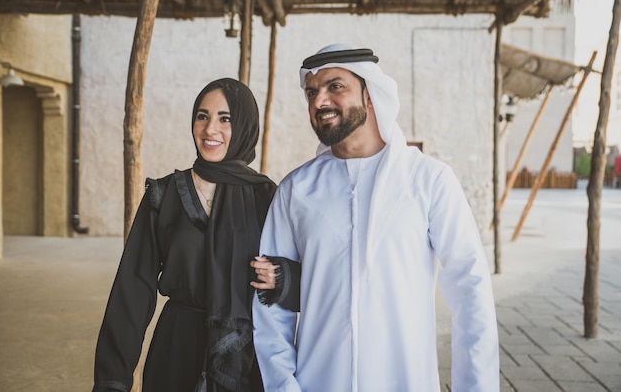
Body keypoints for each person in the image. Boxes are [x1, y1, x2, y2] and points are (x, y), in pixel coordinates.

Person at [252, 44, 500, 391]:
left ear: (369, 94)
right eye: (312, 92)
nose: (319, 100)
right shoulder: (296, 189)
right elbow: (269, 303)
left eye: (335, 87)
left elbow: (471, 292)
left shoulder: (428, 180)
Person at [93, 78, 287, 392]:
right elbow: (132, 290)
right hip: (176, 349)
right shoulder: (164, 194)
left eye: (226, 118)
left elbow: (302, 280)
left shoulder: (266, 198)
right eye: (202, 116)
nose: (210, 129)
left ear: (245, 125)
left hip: (245, 356)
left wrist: (284, 277)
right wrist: (112, 379)